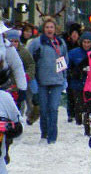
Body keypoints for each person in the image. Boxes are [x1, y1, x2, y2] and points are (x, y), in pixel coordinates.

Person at [27, 16, 69, 144]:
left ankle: (52, 136)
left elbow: (64, 60)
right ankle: (44, 134)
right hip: (42, 81)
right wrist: (32, 79)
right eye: (47, 27)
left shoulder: (60, 43)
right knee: (44, 109)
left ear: (55, 29)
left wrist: (64, 77)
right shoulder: (37, 43)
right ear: (43, 29)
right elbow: (29, 60)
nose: (49, 29)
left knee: (53, 108)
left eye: (52, 27)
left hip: (57, 81)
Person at [68, 31, 91, 128]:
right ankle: (78, 122)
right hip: (77, 84)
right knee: (78, 105)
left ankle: (86, 123)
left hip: (90, 84)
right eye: (84, 42)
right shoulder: (74, 53)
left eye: (88, 42)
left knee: (89, 106)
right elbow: (66, 65)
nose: (86, 44)